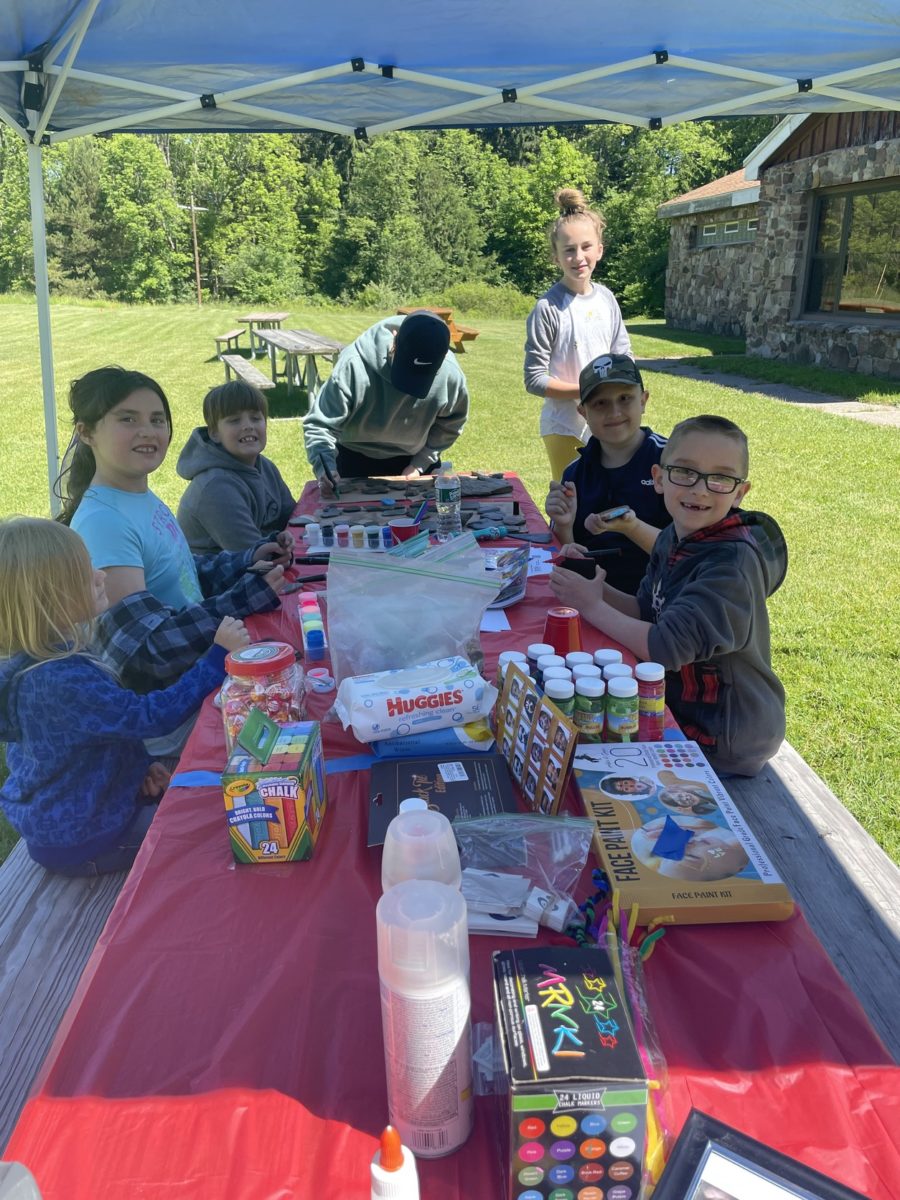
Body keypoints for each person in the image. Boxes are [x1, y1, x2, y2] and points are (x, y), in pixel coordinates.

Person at [0, 517, 250, 875]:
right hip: (86, 837)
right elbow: (149, 717)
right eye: (85, 574)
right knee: (221, 826)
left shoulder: (43, 660)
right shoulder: (57, 680)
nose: (100, 574)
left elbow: (94, 735)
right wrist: (216, 658)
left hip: (73, 818)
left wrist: (135, 771)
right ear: (50, 600)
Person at [549, 415, 787, 776]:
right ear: (659, 478)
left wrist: (590, 605)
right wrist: (595, 583)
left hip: (725, 735)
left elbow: (664, 647)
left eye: (720, 477)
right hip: (680, 705)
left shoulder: (731, 564)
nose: (700, 489)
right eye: (685, 472)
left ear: (740, 492)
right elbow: (646, 612)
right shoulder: (673, 537)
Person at [55, 366, 290, 696]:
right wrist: (240, 599)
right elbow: (146, 653)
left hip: (203, 666)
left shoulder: (138, 497)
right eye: (128, 419)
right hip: (177, 701)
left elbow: (181, 577)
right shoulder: (103, 522)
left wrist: (245, 560)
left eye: (157, 419)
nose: (148, 431)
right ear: (86, 432)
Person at [524, 187, 633, 481]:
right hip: (565, 427)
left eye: (586, 247)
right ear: (556, 257)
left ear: (599, 248)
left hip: (610, 421)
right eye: (569, 250)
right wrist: (588, 389)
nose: (578, 257)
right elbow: (534, 380)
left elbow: (625, 358)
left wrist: (618, 396)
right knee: (569, 504)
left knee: (610, 501)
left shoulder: (607, 299)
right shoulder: (547, 308)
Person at [303, 310, 469, 494]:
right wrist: (325, 467)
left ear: (444, 355)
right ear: (394, 339)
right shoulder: (354, 365)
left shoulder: (451, 374)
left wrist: (420, 463)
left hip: (414, 460)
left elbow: (451, 424)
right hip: (353, 458)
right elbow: (320, 425)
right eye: (405, 370)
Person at [545, 354, 670, 593]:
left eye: (624, 398)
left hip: (659, 602)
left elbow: (691, 551)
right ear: (583, 412)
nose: (614, 412)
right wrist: (563, 526)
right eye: (600, 403)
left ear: (643, 401)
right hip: (593, 597)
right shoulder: (575, 472)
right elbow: (568, 555)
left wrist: (632, 527)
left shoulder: (671, 462)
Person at [176, 380, 295, 554]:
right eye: (234, 420)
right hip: (221, 577)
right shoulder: (216, 487)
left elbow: (293, 519)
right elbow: (254, 555)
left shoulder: (265, 466)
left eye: (255, 418)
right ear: (215, 433)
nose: (248, 426)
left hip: (260, 567)